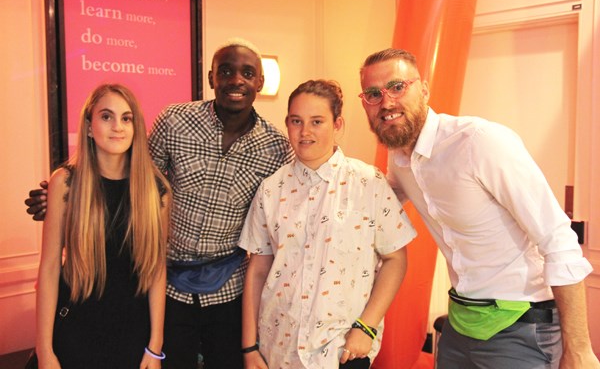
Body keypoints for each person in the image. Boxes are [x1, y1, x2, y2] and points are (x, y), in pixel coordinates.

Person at [26, 38, 293, 369]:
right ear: (212, 78)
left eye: (247, 73)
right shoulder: (175, 121)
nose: (236, 80)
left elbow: (289, 207)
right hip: (168, 288)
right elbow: (133, 174)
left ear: (260, 82)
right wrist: (61, 196)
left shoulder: (277, 148)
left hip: (229, 288)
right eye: (225, 71)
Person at [359, 48, 600, 368]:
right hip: (461, 322)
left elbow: (558, 239)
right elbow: (382, 200)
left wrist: (580, 350)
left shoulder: (480, 142)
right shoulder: (400, 159)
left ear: (425, 90)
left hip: (521, 325)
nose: (386, 102)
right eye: (374, 94)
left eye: (397, 87)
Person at [239, 79, 416, 369]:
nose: (305, 131)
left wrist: (367, 327)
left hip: (343, 349)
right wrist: (249, 347)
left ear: (337, 125)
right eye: (296, 121)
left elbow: (396, 258)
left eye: (317, 121)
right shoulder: (270, 190)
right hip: (278, 348)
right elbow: (258, 270)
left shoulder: (368, 183)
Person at [35, 84, 171, 369]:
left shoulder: (156, 190)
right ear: (88, 126)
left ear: (136, 127)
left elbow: (156, 270)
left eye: (126, 118)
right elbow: (49, 269)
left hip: (134, 338)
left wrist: (155, 346)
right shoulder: (66, 182)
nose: (117, 127)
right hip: (74, 332)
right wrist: (44, 350)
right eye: (106, 116)